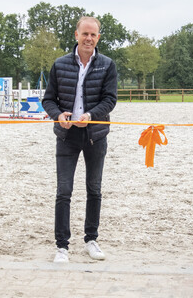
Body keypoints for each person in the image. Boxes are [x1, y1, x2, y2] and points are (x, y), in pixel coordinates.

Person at [42, 16, 118, 263]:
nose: (89, 38)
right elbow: (48, 99)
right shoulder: (60, 64)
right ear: (76, 35)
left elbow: (110, 100)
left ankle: (91, 239)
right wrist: (57, 114)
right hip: (66, 135)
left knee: (94, 189)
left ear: (98, 37)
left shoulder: (107, 65)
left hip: (95, 135)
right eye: (85, 34)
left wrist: (90, 115)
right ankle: (62, 246)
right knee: (64, 191)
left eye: (93, 35)